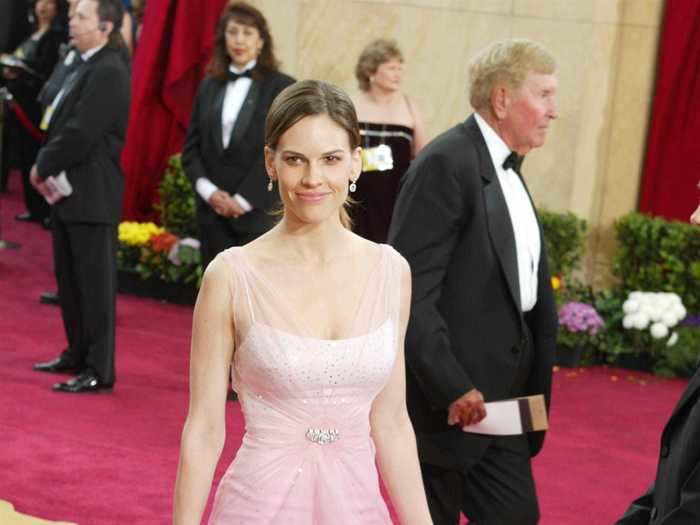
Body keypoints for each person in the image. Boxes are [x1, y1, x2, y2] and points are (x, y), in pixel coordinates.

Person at [173, 80, 433, 525]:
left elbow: (391, 422)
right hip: (257, 509)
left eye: (330, 159)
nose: (313, 178)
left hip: (357, 509)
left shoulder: (391, 273)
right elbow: (204, 429)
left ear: (355, 162)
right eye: (295, 159)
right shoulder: (231, 275)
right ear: (270, 163)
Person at [388, 39, 559, 524]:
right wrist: (452, 385)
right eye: (543, 94)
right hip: (451, 406)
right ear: (502, 99)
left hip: (506, 405)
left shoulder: (508, 168)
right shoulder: (446, 162)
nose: (554, 111)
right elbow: (411, 289)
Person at [30, 0, 130, 393]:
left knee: (94, 285)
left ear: (105, 28)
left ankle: (99, 368)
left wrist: (42, 164)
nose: (71, 21)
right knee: (69, 279)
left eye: (81, 16)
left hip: (91, 188)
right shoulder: (74, 58)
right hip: (65, 187)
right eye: (72, 15)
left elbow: (82, 130)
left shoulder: (109, 69)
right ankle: (75, 351)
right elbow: (48, 103)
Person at [182, 1, 295, 269]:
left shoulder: (282, 87)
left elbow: (283, 151)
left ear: (261, 40)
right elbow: (191, 150)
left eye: (247, 33)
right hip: (212, 215)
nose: (239, 40)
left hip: (258, 215)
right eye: (232, 32)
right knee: (215, 301)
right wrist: (210, 193)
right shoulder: (209, 85)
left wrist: (243, 200)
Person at [350, 38, 427, 243]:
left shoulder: (410, 106)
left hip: (396, 199)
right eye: (391, 68)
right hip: (356, 197)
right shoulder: (352, 104)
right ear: (371, 71)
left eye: (400, 68)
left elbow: (422, 156)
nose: (398, 74)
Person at [0, 0, 68, 223]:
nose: (43, 7)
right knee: (25, 154)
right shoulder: (30, 33)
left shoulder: (56, 37)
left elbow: (46, 71)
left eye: (49, 3)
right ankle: (34, 208)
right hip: (18, 103)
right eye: (40, 2)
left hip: (36, 105)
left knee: (38, 156)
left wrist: (22, 73)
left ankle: (45, 210)